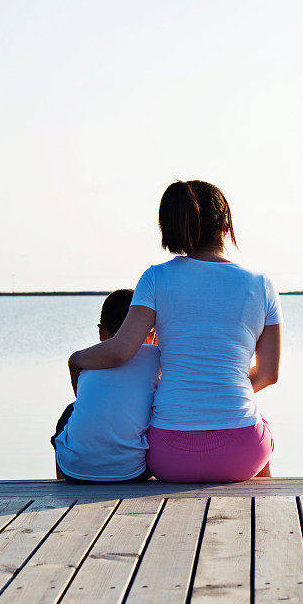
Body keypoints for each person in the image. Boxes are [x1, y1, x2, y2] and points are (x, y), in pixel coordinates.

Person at [69, 179, 281, 483]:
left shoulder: (156, 278)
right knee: (259, 429)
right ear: (224, 224)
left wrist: (76, 359)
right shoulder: (261, 285)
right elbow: (269, 374)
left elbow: (120, 350)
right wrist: (220, 391)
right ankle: (264, 518)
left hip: (169, 457)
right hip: (241, 454)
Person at [52, 289, 159, 483]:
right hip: (133, 473)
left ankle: (62, 483)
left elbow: (80, 398)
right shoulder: (154, 355)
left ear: (101, 332)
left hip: (74, 472)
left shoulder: (86, 360)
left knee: (71, 411)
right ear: (151, 335)